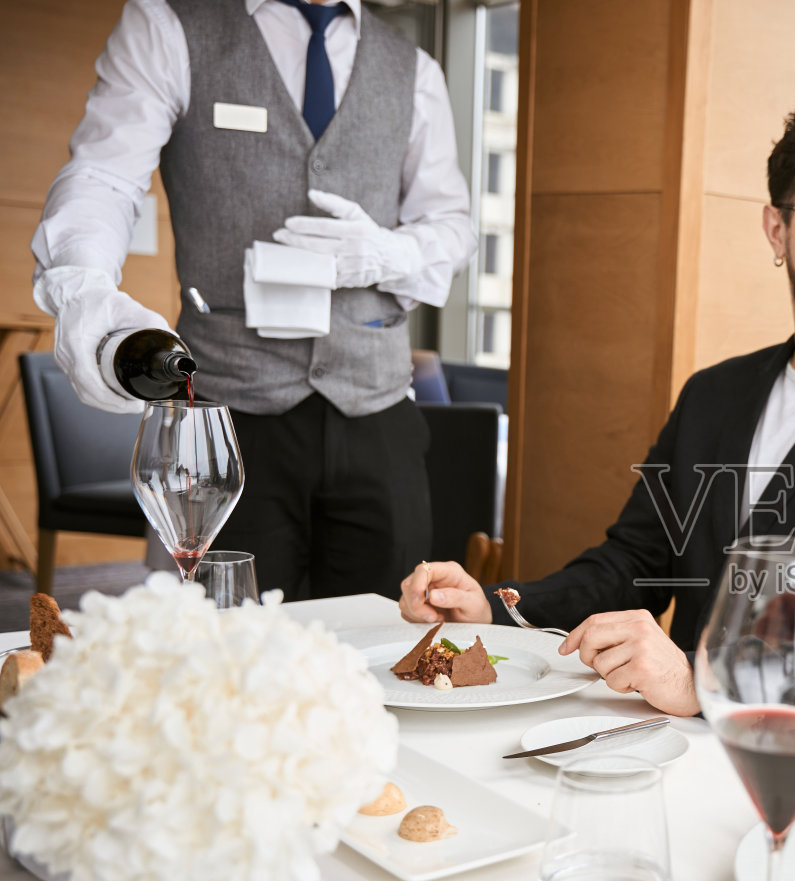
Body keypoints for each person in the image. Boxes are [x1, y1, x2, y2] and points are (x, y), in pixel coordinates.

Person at [403, 97, 795, 734]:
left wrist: (708, 682)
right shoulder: (715, 394)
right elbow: (634, 564)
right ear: (778, 229)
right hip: (687, 744)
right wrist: (495, 607)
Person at [31, 0, 474, 600]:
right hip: (226, 419)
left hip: (378, 414)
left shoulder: (414, 68)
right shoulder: (170, 26)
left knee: (386, 644)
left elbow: (451, 222)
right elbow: (103, 178)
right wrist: (82, 288)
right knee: (229, 652)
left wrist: (391, 254)